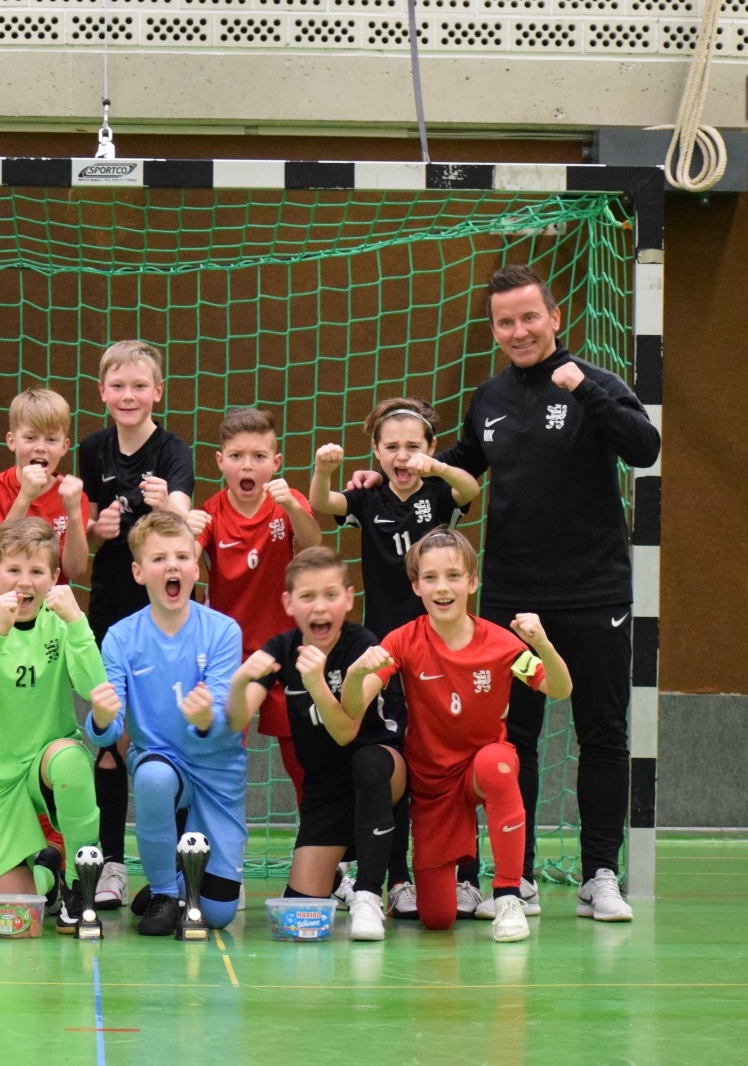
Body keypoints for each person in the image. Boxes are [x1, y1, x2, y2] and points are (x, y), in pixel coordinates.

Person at [354, 266, 660, 921]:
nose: (518, 331)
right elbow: (457, 471)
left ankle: (600, 874)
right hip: (511, 599)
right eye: (505, 322)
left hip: (594, 593)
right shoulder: (489, 397)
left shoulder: (592, 383)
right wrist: (387, 478)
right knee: (507, 740)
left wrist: (587, 391)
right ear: (494, 329)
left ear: (554, 318)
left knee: (602, 732)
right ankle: (512, 880)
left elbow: (645, 447)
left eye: (528, 318)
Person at [348, 528, 572, 943]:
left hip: (481, 769)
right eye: (430, 577)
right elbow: (355, 704)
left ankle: (508, 896)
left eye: (453, 576)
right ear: (416, 586)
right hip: (433, 784)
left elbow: (559, 688)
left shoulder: (502, 645)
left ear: (472, 581)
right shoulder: (403, 641)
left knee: (498, 763)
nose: (442, 587)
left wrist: (542, 643)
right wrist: (356, 674)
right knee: (437, 918)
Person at [311, 396, 479, 918]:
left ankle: (467, 875)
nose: (402, 456)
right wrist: (324, 469)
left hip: (442, 648)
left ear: (429, 448)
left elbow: (471, 489)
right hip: (388, 653)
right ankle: (395, 878)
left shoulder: (438, 490)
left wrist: (439, 467)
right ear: (377, 452)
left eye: (412, 447)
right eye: (391, 447)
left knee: (448, 756)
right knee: (390, 756)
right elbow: (323, 503)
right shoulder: (369, 496)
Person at [226, 547, 405, 942]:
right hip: (324, 794)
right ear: (289, 603)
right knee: (299, 915)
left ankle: (368, 895)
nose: (319, 606)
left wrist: (316, 683)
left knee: (369, 764)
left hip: (382, 774)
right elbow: (238, 719)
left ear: (348, 599)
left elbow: (345, 733)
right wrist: (239, 682)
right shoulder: (281, 648)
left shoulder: (363, 645)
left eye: (330, 595)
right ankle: (336, 875)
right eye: (307, 596)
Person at [78, 339, 195, 910]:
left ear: (158, 391)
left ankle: (179, 867)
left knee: (169, 740)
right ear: (102, 391)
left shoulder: (173, 451)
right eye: (118, 386)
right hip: (110, 608)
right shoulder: (91, 449)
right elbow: (80, 541)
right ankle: (111, 864)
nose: (129, 395)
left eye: (140, 386)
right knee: (110, 738)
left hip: (165, 613)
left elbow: (186, 525)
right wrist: (95, 531)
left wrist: (167, 504)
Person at [87, 512, 245, 936]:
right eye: (158, 558)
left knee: (218, 915)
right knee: (153, 777)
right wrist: (101, 717)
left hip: (216, 772)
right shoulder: (120, 637)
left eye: (182, 556)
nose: (172, 565)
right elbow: (110, 727)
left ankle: (176, 879)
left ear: (196, 567)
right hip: (159, 758)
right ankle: (162, 894)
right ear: (139, 572)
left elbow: (224, 713)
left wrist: (205, 717)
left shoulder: (224, 631)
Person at [0, 518, 107, 932]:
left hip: (46, 767)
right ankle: (48, 875)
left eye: (36, 571)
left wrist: (78, 622)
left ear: (54, 577)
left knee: (71, 759)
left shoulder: (61, 620)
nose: (24, 582)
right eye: (13, 570)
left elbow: (93, 688)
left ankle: (80, 885)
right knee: (15, 921)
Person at [187, 406, 321, 805]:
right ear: (220, 461)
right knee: (224, 751)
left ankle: (321, 839)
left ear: (276, 463)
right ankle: (215, 837)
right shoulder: (209, 513)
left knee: (303, 759)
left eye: (259, 456)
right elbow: (183, 566)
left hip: (287, 650)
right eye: (237, 456)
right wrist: (185, 533)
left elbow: (313, 544)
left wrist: (293, 507)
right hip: (229, 654)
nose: (247, 465)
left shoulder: (288, 503)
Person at [0, 388, 89, 607]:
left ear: (64, 446)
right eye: (30, 438)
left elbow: (76, 570)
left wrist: (74, 513)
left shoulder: (73, 496)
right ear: (12, 441)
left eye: (51, 439)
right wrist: (25, 496)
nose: (40, 448)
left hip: (47, 617)